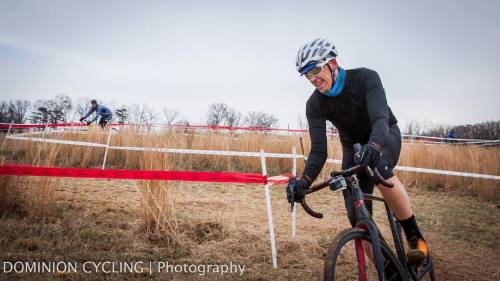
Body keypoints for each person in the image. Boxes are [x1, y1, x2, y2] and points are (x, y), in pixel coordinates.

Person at [287, 38, 429, 267]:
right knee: (354, 210)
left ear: (332, 64)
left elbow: (380, 120)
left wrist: (374, 146)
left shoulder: (365, 78)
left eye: (315, 70)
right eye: (307, 75)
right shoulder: (314, 104)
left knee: (379, 168)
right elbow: (318, 151)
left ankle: (415, 237)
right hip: (352, 146)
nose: (312, 79)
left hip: (384, 134)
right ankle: (388, 268)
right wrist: (304, 180)